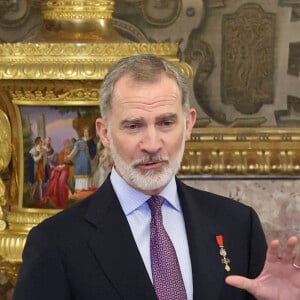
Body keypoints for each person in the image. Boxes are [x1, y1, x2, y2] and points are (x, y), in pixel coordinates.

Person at [13, 54, 300, 300]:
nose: (152, 144)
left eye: (166, 123)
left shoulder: (238, 224)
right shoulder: (56, 242)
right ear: (104, 133)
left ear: (188, 124)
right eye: (134, 125)